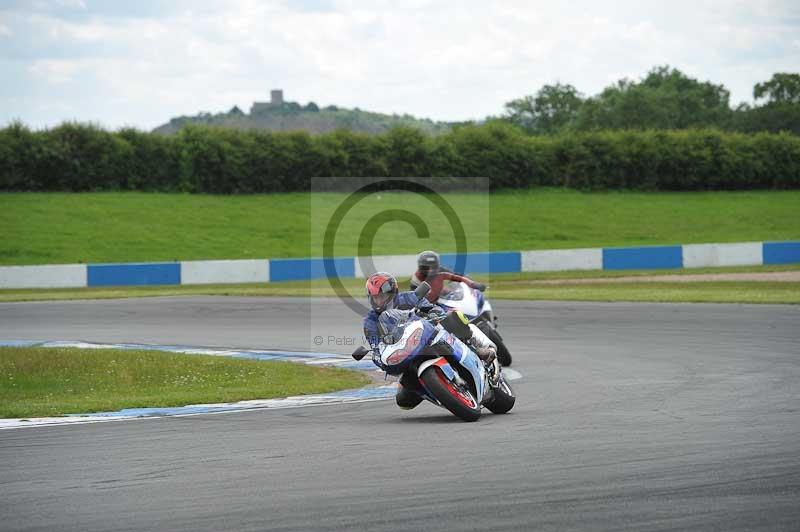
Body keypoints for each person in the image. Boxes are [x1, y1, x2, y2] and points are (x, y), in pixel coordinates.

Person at [376, 308, 498, 410]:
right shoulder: (373, 323)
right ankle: (430, 391)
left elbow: (428, 305)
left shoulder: (406, 300)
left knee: (455, 316)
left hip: (427, 334)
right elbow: (376, 347)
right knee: (402, 401)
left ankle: (477, 348)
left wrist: (433, 311)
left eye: (383, 295)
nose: (380, 299)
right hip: (407, 352)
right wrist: (377, 357)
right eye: (376, 296)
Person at [409, 250, 487, 303]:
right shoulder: (416, 278)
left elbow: (457, 276)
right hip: (427, 305)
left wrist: (474, 284)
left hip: (443, 299)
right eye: (427, 267)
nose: (430, 269)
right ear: (421, 266)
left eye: (433, 266)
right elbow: (415, 297)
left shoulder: (440, 270)